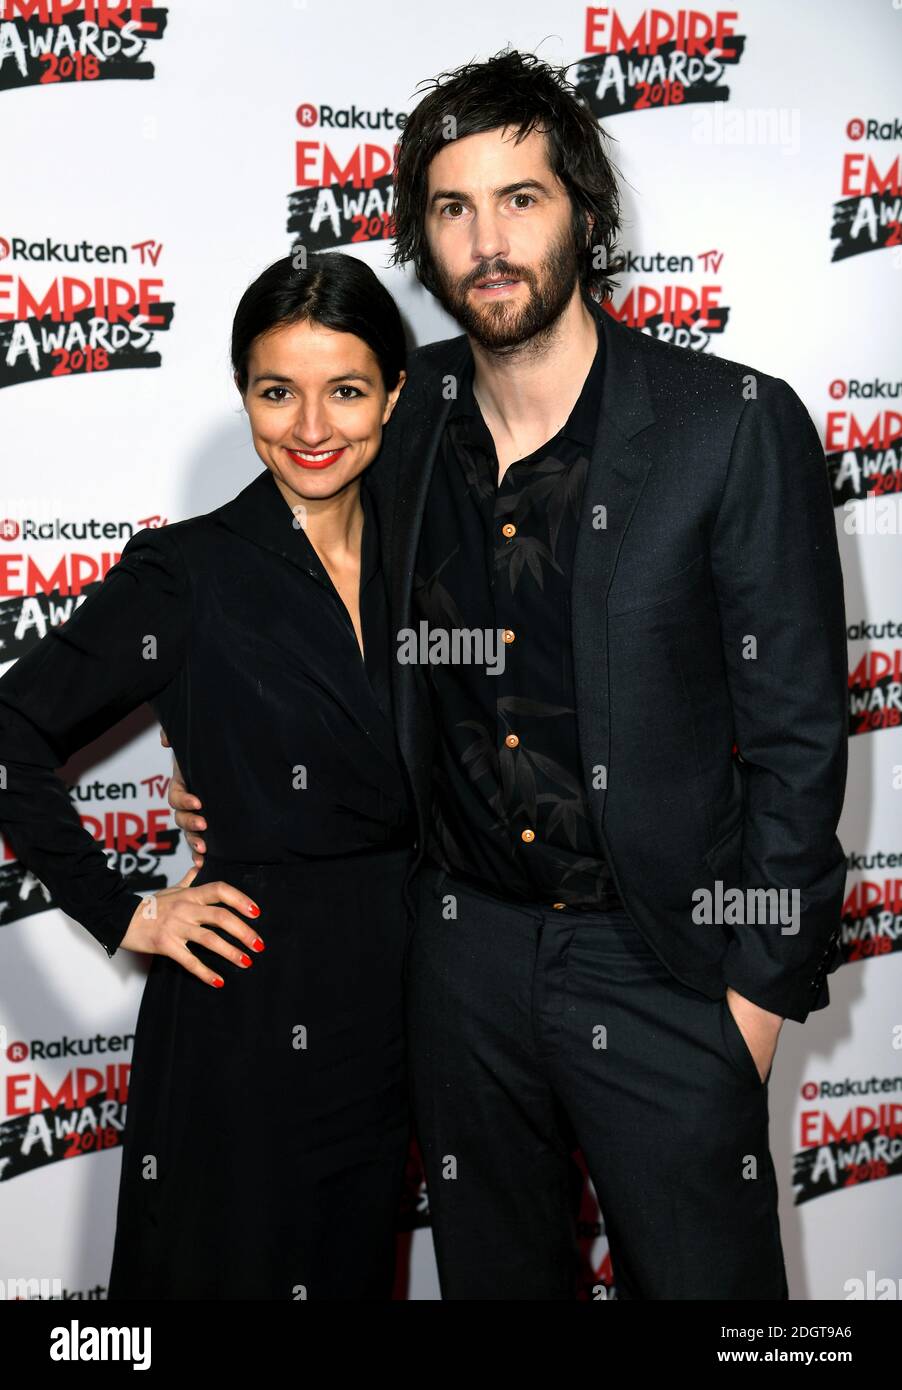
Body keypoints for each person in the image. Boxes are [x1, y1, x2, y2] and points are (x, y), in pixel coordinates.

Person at [171, 50, 849, 1300]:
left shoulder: (730, 424)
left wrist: (750, 1003)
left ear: (582, 213)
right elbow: (259, 580)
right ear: (420, 239)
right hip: (461, 958)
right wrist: (231, 761)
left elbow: (801, 742)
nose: (486, 242)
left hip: (664, 968)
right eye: (451, 207)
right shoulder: (402, 411)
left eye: (519, 200)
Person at [0, 251, 414, 1299]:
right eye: (277, 390)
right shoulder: (188, 573)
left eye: (347, 389)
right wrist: (123, 910)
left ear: (395, 392)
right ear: (242, 394)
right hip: (247, 1005)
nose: (311, 424)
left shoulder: (438, 562)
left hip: (410, 1008)